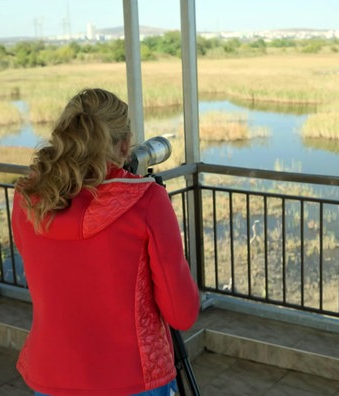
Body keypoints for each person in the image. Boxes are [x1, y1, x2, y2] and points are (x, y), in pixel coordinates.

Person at [11, 88, 200, 395]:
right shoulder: (146, 201)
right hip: (133, 380)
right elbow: (182, 313)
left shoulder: (28, 197)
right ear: (125, 144)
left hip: (51, 374)